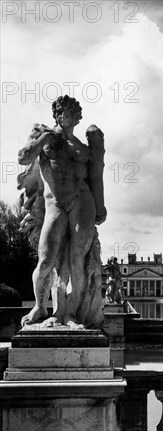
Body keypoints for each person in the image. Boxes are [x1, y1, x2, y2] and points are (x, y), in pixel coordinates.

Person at [18, 96, 106, 328]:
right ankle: (40, 306)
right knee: (46, 259)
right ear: (56, 115)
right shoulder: (43, 136)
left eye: (72, 112)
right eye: (63, 111)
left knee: (77, 260)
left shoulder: (82, 147)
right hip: (54, 203)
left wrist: (100, 204)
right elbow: (23, 157)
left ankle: (68, 314)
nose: (67, 116)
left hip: (82, 201)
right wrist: (44, 138)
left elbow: (95, 176)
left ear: (78, 117)